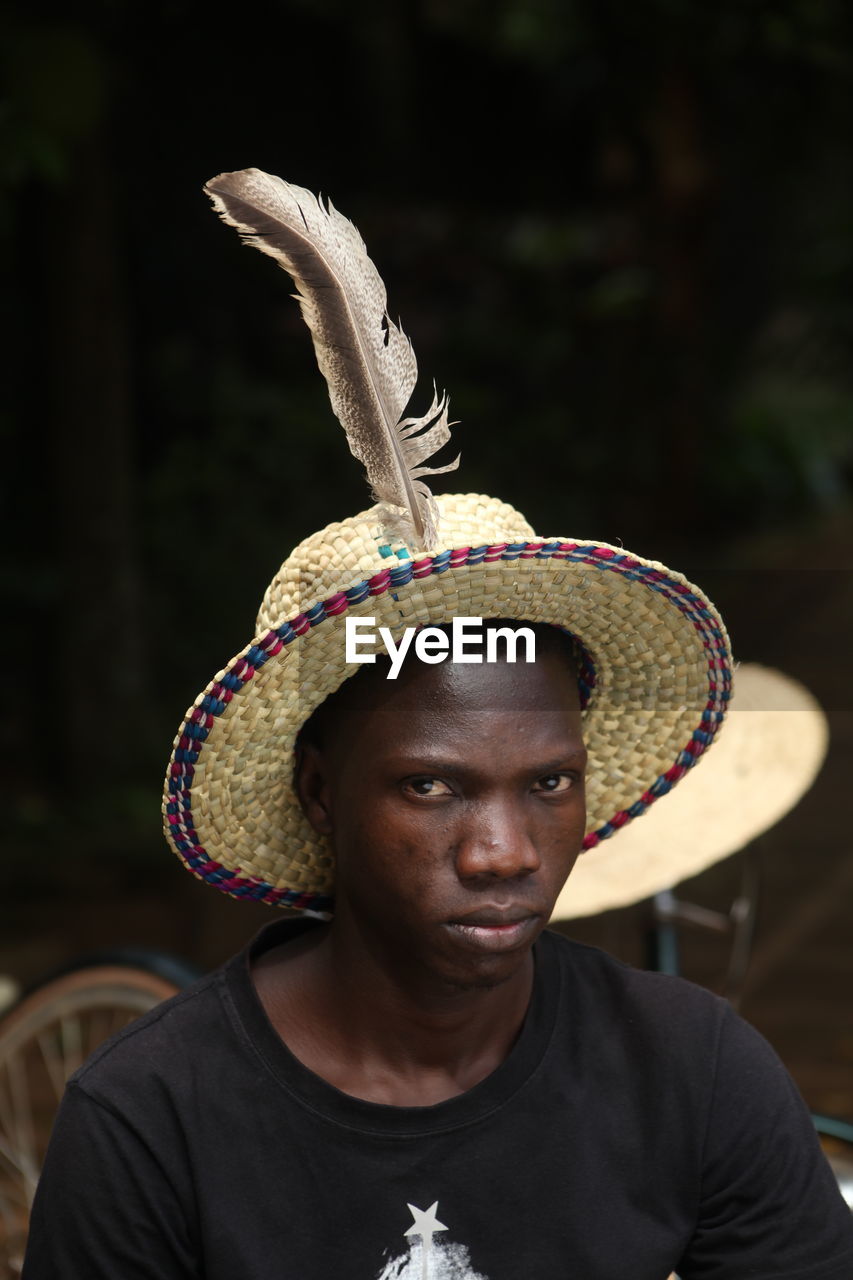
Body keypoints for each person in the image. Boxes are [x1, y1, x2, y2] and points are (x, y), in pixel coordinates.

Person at [23, 171, 853, 1278]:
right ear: (319, 788)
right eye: (431, 785)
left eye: (548, 782)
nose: (503, 851)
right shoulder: (151, 1120)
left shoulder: (697, 1075)